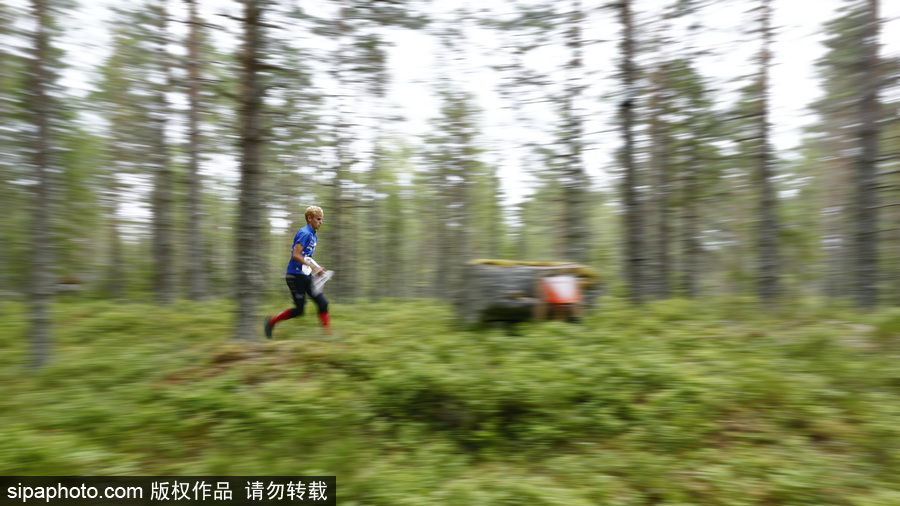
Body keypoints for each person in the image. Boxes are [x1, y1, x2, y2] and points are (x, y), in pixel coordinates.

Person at [264, 206, 330, 338]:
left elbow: (306, 257)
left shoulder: (313, 235)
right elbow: (296, 255)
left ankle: (327, 336)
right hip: (294, 276)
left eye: (321, 219)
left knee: (323, 303)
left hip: (305, 275)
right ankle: (271, 321)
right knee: (299, 311)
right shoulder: (305, 233)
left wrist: (318, 270)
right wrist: (314, 268)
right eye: (318, 219)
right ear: (309, 218)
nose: (321, 222)